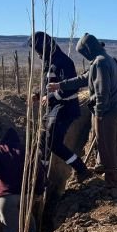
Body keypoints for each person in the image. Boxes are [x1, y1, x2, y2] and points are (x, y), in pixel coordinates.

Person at [50, 33, 117, 194]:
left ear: (87, 49)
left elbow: (102, 92)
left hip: (108, 114)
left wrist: (99, 115)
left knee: (106, 150)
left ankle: (112, 187)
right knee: (113, 147)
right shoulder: (105, 60)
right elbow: (84, 78)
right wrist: (60, 85)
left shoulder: (99, 63)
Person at [31, 31, 90, 182]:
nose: (37, 55)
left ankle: (81, 170)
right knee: (44, 142)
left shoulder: (63, 62)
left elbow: (71, 87)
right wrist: (38, 94)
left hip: (65, 108)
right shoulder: (49, 61)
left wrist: (50, 97)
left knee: (53, 144)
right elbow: (47, 84)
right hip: (54, 108)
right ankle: (40, 176)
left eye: (38, 51)